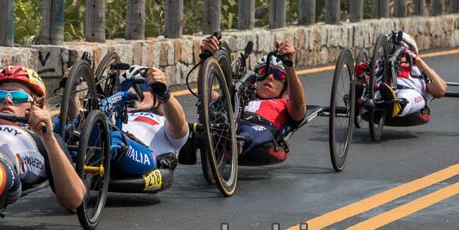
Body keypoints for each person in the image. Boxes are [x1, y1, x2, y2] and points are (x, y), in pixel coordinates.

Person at [0, 65, 87, 225]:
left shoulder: (43, 136)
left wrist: (49, 138)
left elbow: (75, 199)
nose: (7, 100)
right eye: (0, 96)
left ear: (35, 106)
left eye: (18, 97)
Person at [200, 35, 307, 164]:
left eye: (278, 75)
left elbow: (299, 107)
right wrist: (205, 58)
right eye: (264, 71)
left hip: (261, 130)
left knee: (251, 132)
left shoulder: (285, 104)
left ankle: (236, 143)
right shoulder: (242, 97)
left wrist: (289, 67)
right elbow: (205, 95)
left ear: (285, 87)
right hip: (231, 123)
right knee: (211, 107)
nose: (270, 77)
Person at [80, 64, 189, 189]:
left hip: (142, 154)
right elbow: (78, 126)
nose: (130, 91)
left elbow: (179, 126)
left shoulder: (162, 121)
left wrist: (163, 92)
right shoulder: (115, 115)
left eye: (141, 88)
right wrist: (71, 87)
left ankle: (107, 149)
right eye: (125, 87)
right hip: (101, 140)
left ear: (156, 98)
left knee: (116, 139)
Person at [364, 31, 446, 119]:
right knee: (373, 90)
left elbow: (440, 91)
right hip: (381, 89)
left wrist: (419, 62)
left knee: (405, 97)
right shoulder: (380, 66)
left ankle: (396, 106)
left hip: (410, 92)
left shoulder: (420, 70)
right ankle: (359, 103)